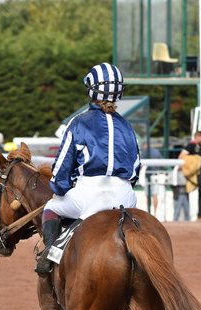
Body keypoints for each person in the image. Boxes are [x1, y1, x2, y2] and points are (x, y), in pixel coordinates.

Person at [35, 62, 140, 275]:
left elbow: (62, 169)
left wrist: (60, 187)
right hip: (126, 197)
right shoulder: (127, 126)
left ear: (91, 90)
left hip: (89, 195)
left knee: (51, 207)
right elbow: (136, 167)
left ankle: (50, 254)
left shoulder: (78, 123)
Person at [178, 131, 201, 222]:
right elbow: (181, 156)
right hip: (198, 174)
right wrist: (182, 167)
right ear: (197, 137)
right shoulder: (191, 146)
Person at [141, 142, 163, 216]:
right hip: (156, 175)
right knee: (155, 195)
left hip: (148, 175)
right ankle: (155, 212)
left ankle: (149, 212)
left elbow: (140, 164)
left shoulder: (145, 152)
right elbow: (161, 163)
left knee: (148, 195)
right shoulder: (156, 151)